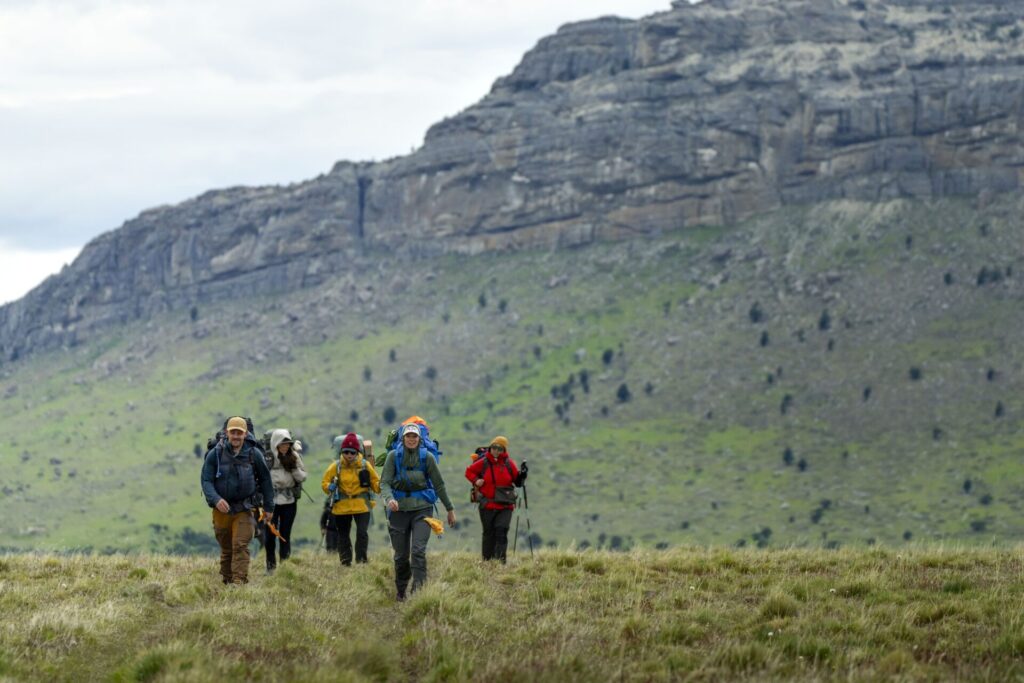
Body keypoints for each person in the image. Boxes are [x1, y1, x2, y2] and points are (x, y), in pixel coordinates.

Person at [381, 423, 456, 600]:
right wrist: (389, 499)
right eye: (408, 436)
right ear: (403, 438)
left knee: (418, 550)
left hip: (422, 510)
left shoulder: (427, 457)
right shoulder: (393, 456)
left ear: (419, 439)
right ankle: (401, 591)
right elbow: (384, 482)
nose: (412, 439)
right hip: (398, 510)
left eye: (415, 436)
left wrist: (450, 509)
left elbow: (439, 484)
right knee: (400, 556)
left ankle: (419, 592)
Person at [200, 416, 274, 584]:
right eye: (233, 432)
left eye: (239, 433)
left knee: (240, 545)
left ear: (245, 434)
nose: (236, 436)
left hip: (245, 508)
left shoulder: (254, 454)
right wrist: (216, 499)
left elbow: (265, 480)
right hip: (221, 510)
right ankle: (227, 581)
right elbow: (206, 480)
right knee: (226, 549)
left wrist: (269, 507)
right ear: (227, 433)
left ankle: (239, 582)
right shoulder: (215, 454)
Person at [321, 432, 381, 566]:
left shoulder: (365, 465)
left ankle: (361, 561)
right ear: (342, 452)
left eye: (352, 452)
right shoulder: (335, 466)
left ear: (357, 452)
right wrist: (329, 487)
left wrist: (382, 486)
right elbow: (324, 483)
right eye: (346, 452)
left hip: (362, 505)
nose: (349, 455)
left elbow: (375, 482)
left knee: (362, 533)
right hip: (342, 506)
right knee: (343, 535)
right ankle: (345, 562)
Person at [465, 436, 524, 563]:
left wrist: (523, 475)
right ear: (490, 448)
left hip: (505, 506)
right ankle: (487, 562)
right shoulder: (484, 462)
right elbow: (469, 472)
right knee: (488, 533)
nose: (496, 451)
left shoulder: (509, 463)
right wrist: (476, 481)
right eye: (494, 448)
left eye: (499, 448)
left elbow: (518, 482)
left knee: (502, 531)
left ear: (504, 450)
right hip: (487, 504)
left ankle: (500, 563)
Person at [264, 428, 307, 573]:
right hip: (271, 503)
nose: (285, 446)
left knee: (285, 534)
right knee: (270, 535)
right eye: (282, 444)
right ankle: (270, 567)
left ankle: (285, 567)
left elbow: (302, 477)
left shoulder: (294, 456)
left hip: (289, 501)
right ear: (275, 443)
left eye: (287, 443)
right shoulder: (268, 458)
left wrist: (293, 467)